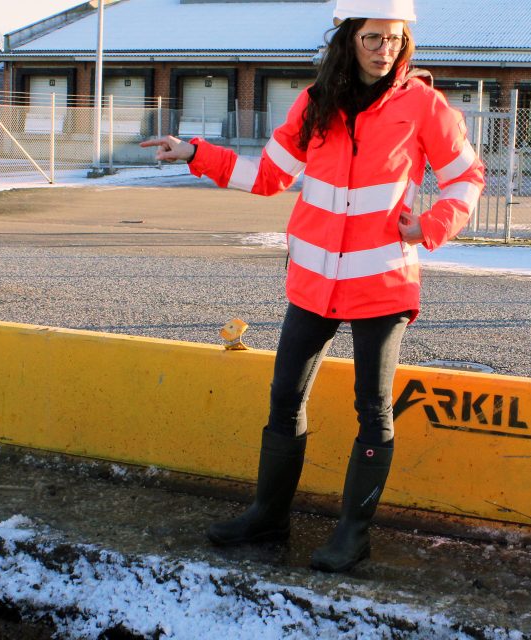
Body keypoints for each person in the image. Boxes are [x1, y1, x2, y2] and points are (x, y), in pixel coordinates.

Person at [140, 0, 484, 573]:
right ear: (349, 38)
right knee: (284, 398)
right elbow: (270, 175)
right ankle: (268, 515)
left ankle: (354, 535)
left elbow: (466, 175)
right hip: (314, 283)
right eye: (374, 38)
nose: (385, 50)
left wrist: (433, 225)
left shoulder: (425, 105)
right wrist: (197, 153)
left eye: (396, 39)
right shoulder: (315, 101)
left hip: (382, 283)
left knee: (373, 410)